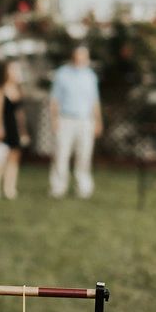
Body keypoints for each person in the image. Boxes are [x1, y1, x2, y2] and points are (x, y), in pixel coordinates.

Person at [49, 45, 103, 198]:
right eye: (79, 56)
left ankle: (83, 187)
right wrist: (54, 119)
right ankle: (58, 187)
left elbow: (95, 101)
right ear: (73, 56)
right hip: (65, 119)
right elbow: (54, 99)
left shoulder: (90, 76)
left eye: (84, 56)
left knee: (84, 155)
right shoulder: (62, 74)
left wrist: (98, 121)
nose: (81, 59)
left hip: (85, 120)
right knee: (61, 154)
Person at [0, 60, 31, 201]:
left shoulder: (19, 90)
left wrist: (23, 131)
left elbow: (20, 114)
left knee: (14, 160)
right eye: (13, 70)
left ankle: (9, 188)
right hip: (4, 129)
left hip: (15, 130)